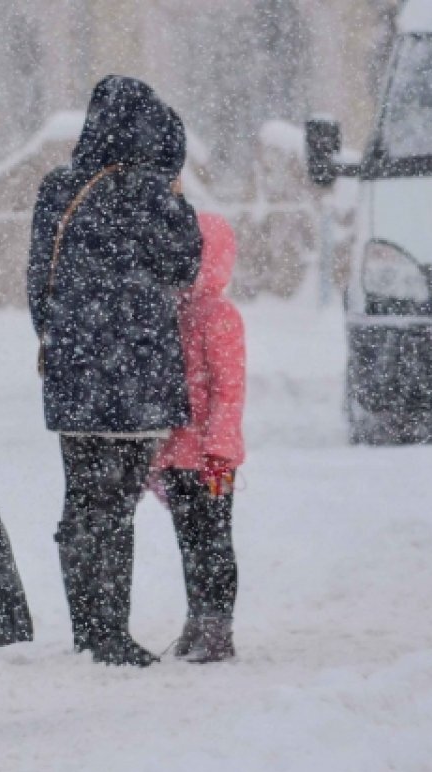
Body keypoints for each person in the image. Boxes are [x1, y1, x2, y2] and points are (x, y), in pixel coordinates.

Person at [27, 76, 202, 668]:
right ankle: (110, 634)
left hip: (75, 374)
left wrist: (66, 339)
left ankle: (88, 626)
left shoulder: (59, 188)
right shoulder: (153, 193)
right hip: (138, 373)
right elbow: (185, 267)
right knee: (117, 502)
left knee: (82, 499)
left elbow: (38, 284)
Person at [151, 212, 245, 663]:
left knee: (214, 540)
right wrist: (157, 457)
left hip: (211, 460)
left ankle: (217, 626)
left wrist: (220, 451)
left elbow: (229, 389)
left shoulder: (220, 315)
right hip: (176, 458)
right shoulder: (169, 312)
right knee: (190, 541)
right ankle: (198, 616)